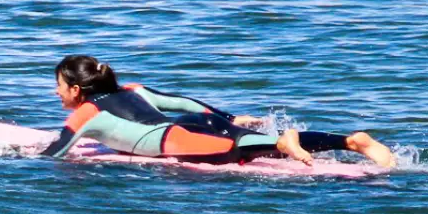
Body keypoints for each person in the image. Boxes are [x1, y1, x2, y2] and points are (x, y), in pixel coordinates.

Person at [42, 54, 395, 168]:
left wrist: (8, 155)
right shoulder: (132, 90)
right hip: (196, 122)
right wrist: (227, 116)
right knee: (256, 139)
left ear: (76, 89)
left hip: (174, 139)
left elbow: (55, 154)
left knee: (238, 152)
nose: (55, 92)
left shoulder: (84, 113)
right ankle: (352, 142)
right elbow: (183, 103)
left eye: (58, 85)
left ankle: (286, 145)